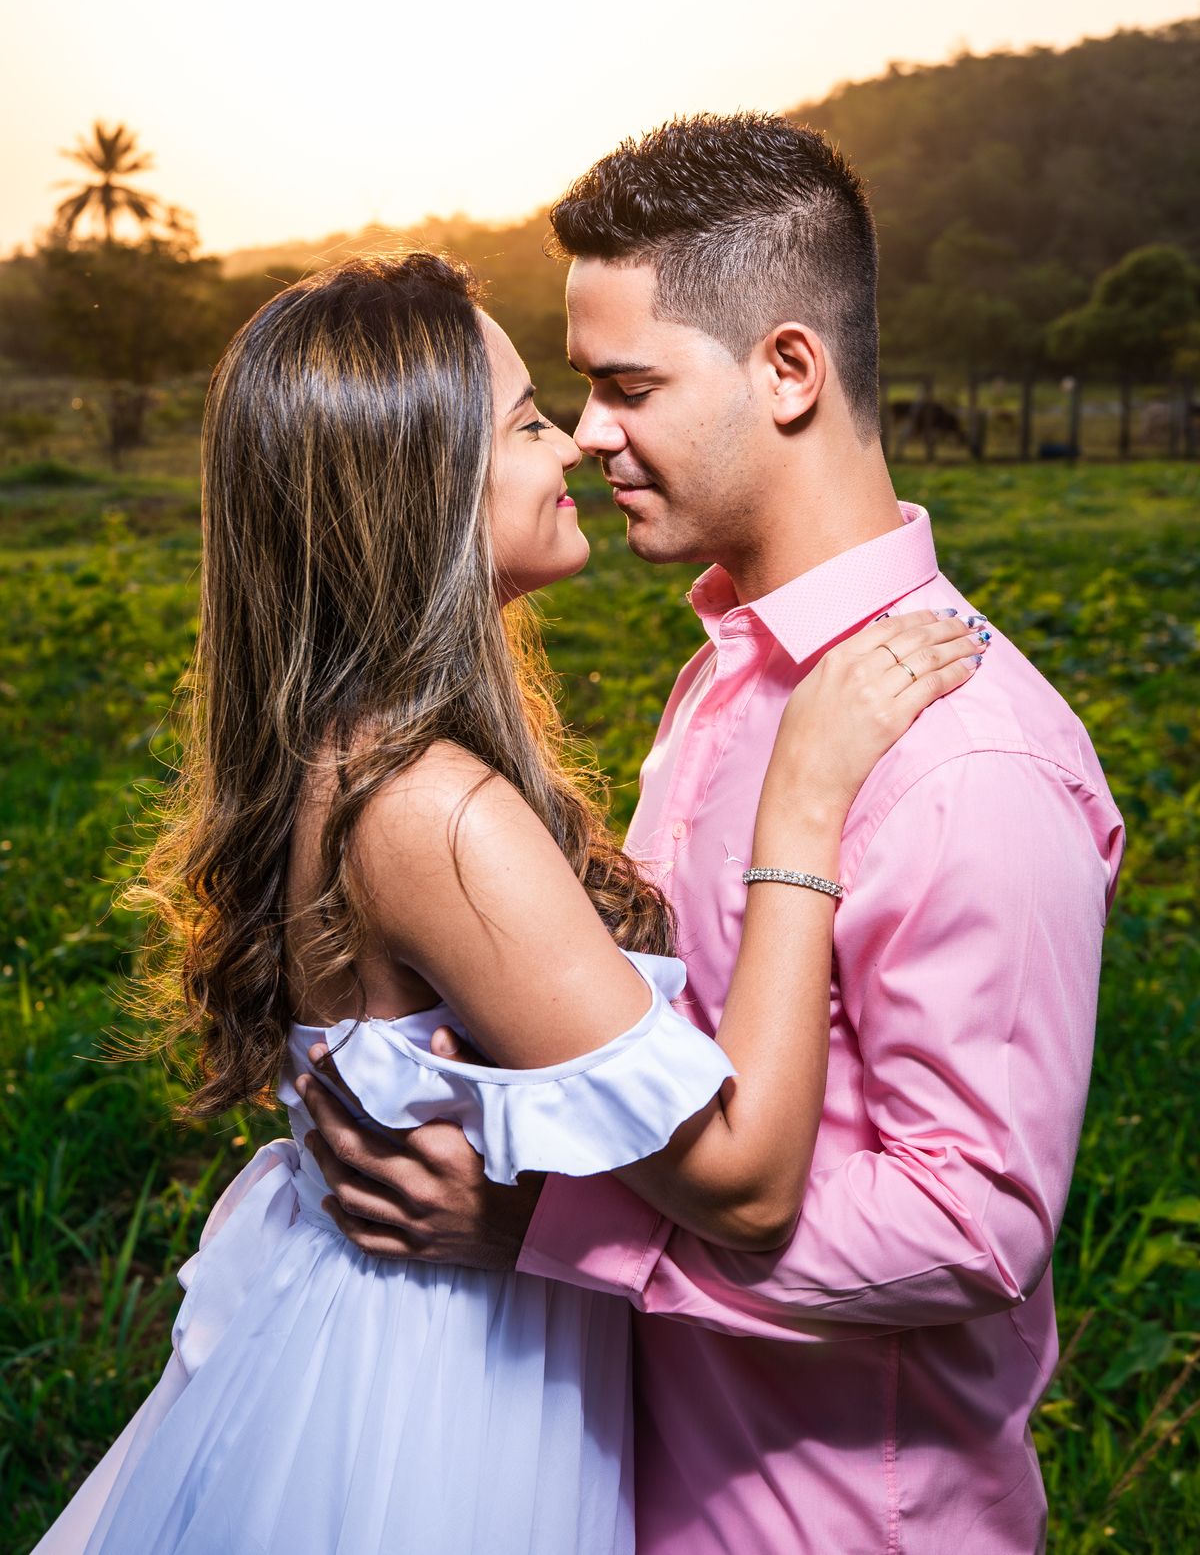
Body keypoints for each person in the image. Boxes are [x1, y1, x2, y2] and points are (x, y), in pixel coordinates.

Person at [33, 251, 984, 1555]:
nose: (578, 447)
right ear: (424, 492)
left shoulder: (354, 754)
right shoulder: (435, 811)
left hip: (385, 1339)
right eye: (531, 420)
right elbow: (748, 1183)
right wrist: (802, 803)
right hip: (435, 1407)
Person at [301, 117, 1125, 1555]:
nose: (591, 433)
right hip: (635, 1488)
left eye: (630, 387)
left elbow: (972, 1224)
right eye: (577, 391)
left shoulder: (966, 753)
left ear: (789, 371)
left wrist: (540, 1227)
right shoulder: (729, 674)